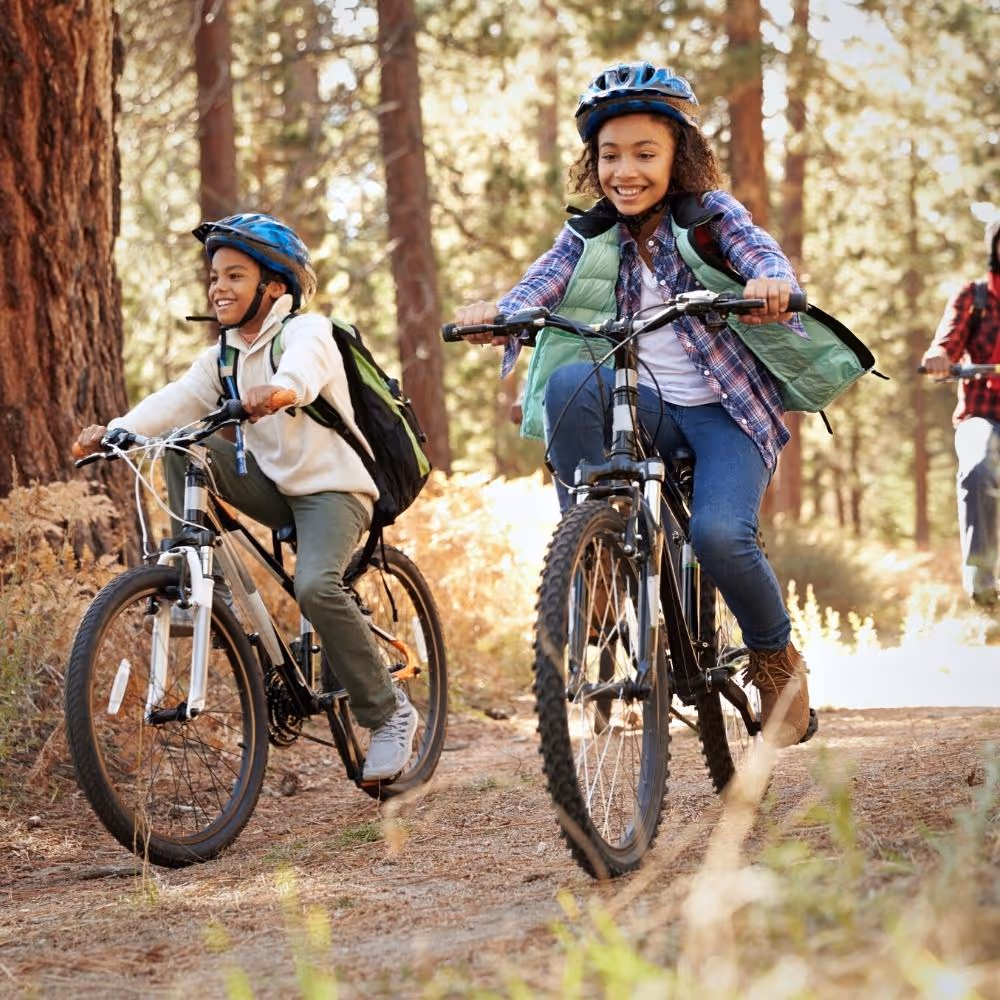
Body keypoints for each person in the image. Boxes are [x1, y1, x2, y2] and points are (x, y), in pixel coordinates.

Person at [453, 60, 816, 748]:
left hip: (723, 414)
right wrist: (501, 313)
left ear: (680, 156)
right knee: (566, 385)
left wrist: (770, 282)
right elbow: (541, 284)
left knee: (717, 536)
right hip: (641, 406)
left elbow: (758, 252)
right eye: (610, 154)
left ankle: (775, 658)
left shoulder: (711, 215)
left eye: (645, 153)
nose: (626, 170)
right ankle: (598, 553)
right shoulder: (589, 233)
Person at [73, 212, 419, 781]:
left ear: (274, 286)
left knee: (314, 585)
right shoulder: (222, 357)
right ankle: (192, 570)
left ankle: (388, 715)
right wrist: (116, 430)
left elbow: (304, 373)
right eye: (214, 277)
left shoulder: (310, 332)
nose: (219, 287)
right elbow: (177, 399)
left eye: (235, 275)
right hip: (274, 488)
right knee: (183, 444)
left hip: (335, 490)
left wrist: (280, 391)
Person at [920, 210, 1000, 609]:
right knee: (980, 466)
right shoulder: (975, 297)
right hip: (982, 414)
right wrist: (938, 356)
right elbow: (947, 342)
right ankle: (984, 587)